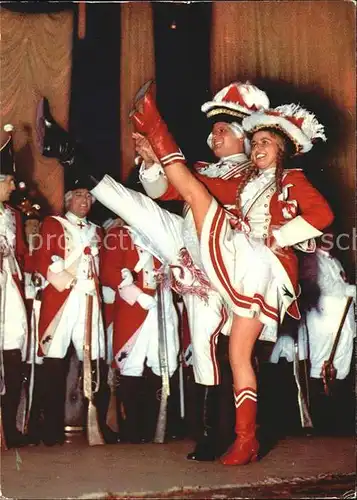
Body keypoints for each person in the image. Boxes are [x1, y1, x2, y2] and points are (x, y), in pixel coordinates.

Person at [36, 83, 271, 461]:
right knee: (135, 208)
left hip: (230, 258)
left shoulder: (254, 176)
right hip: (192, 250)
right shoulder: (201, 169)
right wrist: (150, 162)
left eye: (223, 131)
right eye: (213, 131)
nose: (214, 137)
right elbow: (163, 190)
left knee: (219, 353)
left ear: (243, 138)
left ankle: (227, 432)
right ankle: (66, 152)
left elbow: (198, 192)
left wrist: (165, 160)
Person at [128, 83, 334, 465]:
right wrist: (153, 162)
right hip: (235, 264)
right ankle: (245, 440)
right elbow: (171, 190)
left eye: (266, 143)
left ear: (283, 150)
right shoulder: (246, 184)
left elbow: (322, 216)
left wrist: (280, 237)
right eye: (256, 143)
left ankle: (156, 124)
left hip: (261, 265)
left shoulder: (289, 180)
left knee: (194, 192)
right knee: (238, 355)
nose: (258, 148)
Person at [34, 164, 116, 445]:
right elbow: (43, 261)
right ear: (68, 198)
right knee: (54, 360)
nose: (85, 201)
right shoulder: (53, 224)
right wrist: (69, 279)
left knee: (94, 359)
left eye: (89, 196)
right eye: (79, 195)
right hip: (63, 300)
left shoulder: (98, 231)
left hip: (89, 300)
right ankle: (51, 428)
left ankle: (98, 423)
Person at [101, 219, 179, 443]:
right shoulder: (118, 235)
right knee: (131, 365)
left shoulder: (159, 233)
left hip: (161, 307)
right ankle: (131, 429)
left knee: (162, 362)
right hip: (134, 309)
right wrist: (138, 295)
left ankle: (154, 426)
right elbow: (109, 272)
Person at [297, 240, 355, 435]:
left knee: (340, 366)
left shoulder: (335, 261)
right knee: (320, 365)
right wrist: (348, 290)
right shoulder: (310, 260)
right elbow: (323, 285)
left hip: (342, 322)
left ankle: (337, 421)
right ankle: (320, 422)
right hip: (323, 322)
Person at [0, 125, 29, 448]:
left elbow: (21, 254)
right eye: (7, 180)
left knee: (12, 357)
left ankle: (8, 427)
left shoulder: (13, 216)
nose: (12, 186)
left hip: (10, 291)